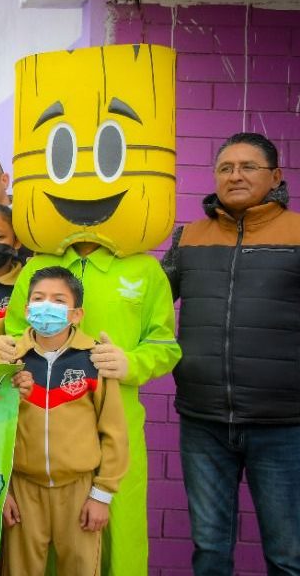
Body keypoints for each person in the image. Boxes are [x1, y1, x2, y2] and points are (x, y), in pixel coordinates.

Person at [161, 132, 300, 575]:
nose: (235, 175)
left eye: (248, 167)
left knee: (288, 555)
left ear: (275, 176)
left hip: (283, 425)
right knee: (210, 550)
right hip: (202, 421)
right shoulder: (189, 237)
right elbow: (149, 303)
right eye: (225, 168)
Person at [1, 267, 128, 576]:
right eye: (38, 298)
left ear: (76, 314)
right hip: (22, 489)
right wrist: (2, 492)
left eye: (58, 300)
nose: (47, 306)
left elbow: (114, 432)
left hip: (79, 490)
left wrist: (101, 496)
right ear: (26, 309)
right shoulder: (9, 359)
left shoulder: (94, 359)